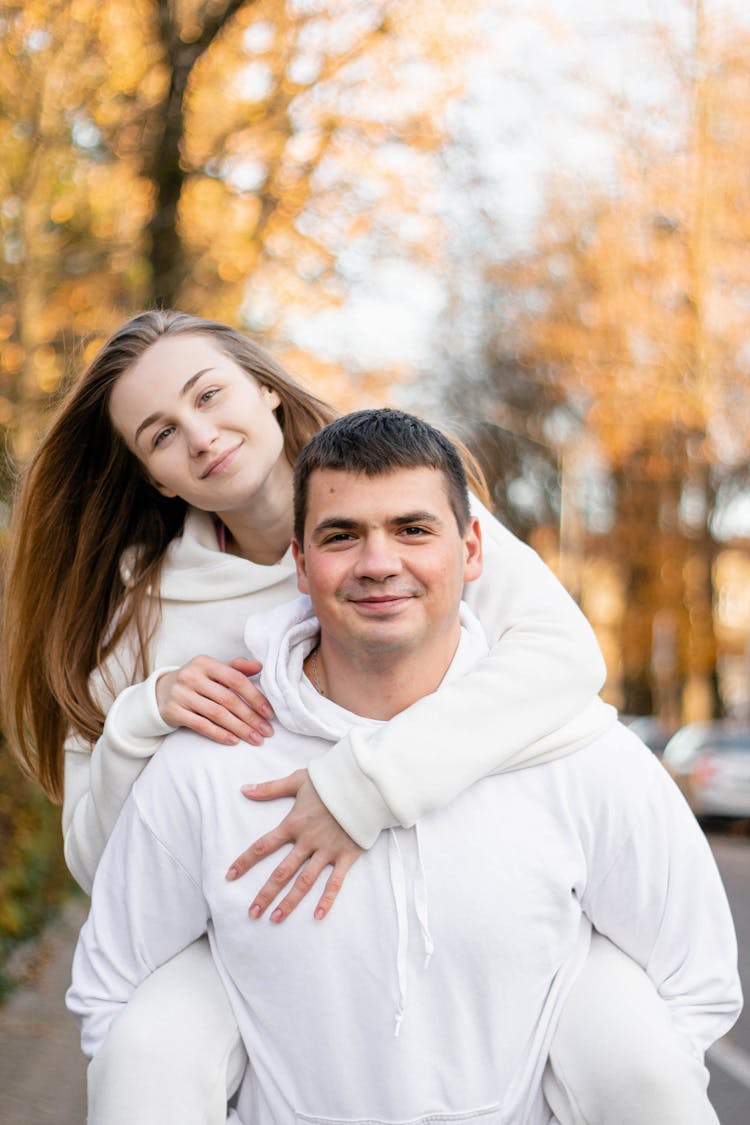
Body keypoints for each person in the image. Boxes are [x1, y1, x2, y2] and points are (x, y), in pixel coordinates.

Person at [2, 311, 615, 1124]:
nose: (201, 434)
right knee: (144, 1061)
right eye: (161, 434)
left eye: (209, 394)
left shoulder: (396, 505)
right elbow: (95, 860)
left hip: (467, 901)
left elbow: (566, 658)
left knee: (633, 1065)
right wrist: (140, 717)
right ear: (155, 477)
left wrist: (367, 786)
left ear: (264, 389)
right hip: (253, 936)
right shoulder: (140, 614)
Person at [67, 409, 741, 1125]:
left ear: (472, 549)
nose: (379, 562)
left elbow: (693, 988)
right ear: (300, 563)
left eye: (413, 529)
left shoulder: (583, 759)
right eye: (342, 535)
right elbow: (113, 995)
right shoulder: (208, 762)